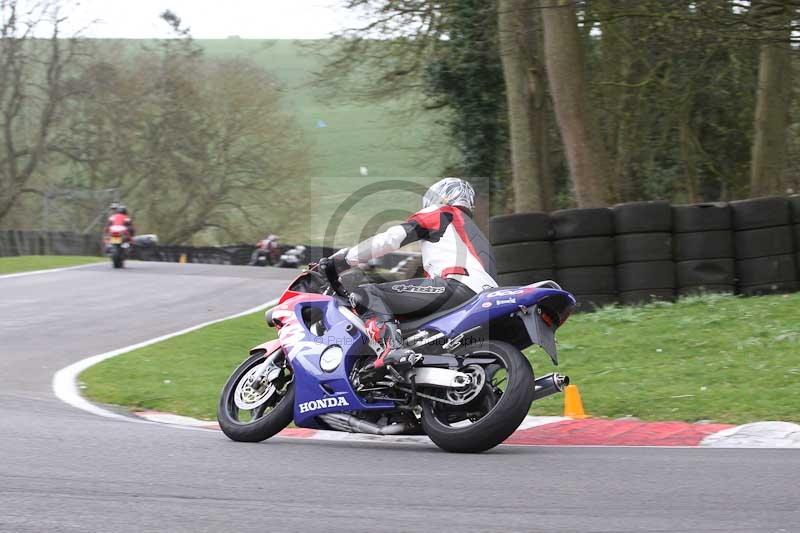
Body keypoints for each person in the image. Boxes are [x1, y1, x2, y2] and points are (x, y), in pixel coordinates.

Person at [321, 178, 498, 372]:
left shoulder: (440, 213)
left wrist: (346, 258)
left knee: (367, 294)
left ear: (443, 197)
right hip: (486, 297)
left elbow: (391, 239)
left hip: (457, 287)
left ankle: (392, 349)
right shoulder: (476, 236)